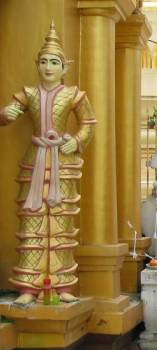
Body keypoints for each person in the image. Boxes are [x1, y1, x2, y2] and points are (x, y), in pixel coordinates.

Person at [0, 21, 96, 305]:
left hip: (61, 161)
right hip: (35, 160)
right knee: (33, 219)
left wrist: (76, 141)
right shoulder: (28, 94)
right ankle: (29, 287)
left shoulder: (73, 95)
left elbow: (89, 123)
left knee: (61, 220)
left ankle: (62, 283)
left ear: (64, 68)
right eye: (43, 62)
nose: (48, 67)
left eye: (54, 62)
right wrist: (8, 112)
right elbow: (5, 115)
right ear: (37, 65)